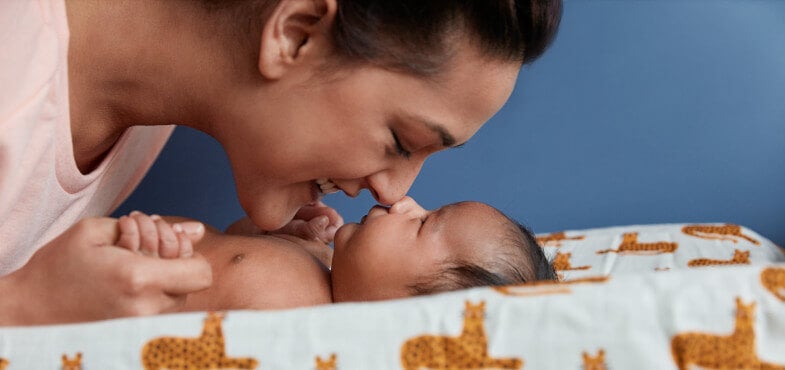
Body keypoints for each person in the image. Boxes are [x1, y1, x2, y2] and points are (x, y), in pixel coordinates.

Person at [0, 0, 562, 324]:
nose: (394, 194)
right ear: (296, 35)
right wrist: (24, 304)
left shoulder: (152, 109)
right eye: (400, 138)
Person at [112, 196, 556, 311]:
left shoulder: (295, 323)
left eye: (421, 223)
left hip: (96, 288)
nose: (403, 202)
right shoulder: (319, 261)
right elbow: (223, 251)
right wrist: (264, 234)